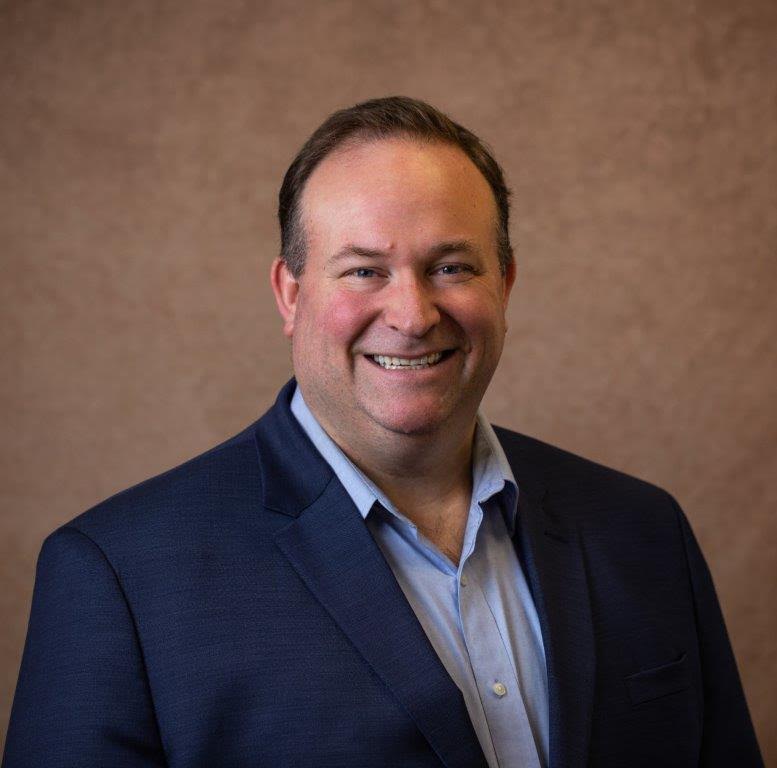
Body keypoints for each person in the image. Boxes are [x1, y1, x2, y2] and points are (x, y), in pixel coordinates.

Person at [3, 97, 763, 768]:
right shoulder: (121, 576)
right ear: (290, 294)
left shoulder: (642, 530)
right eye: (364, 270)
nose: (412, 315)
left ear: (505, 284)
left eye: (451, 267)